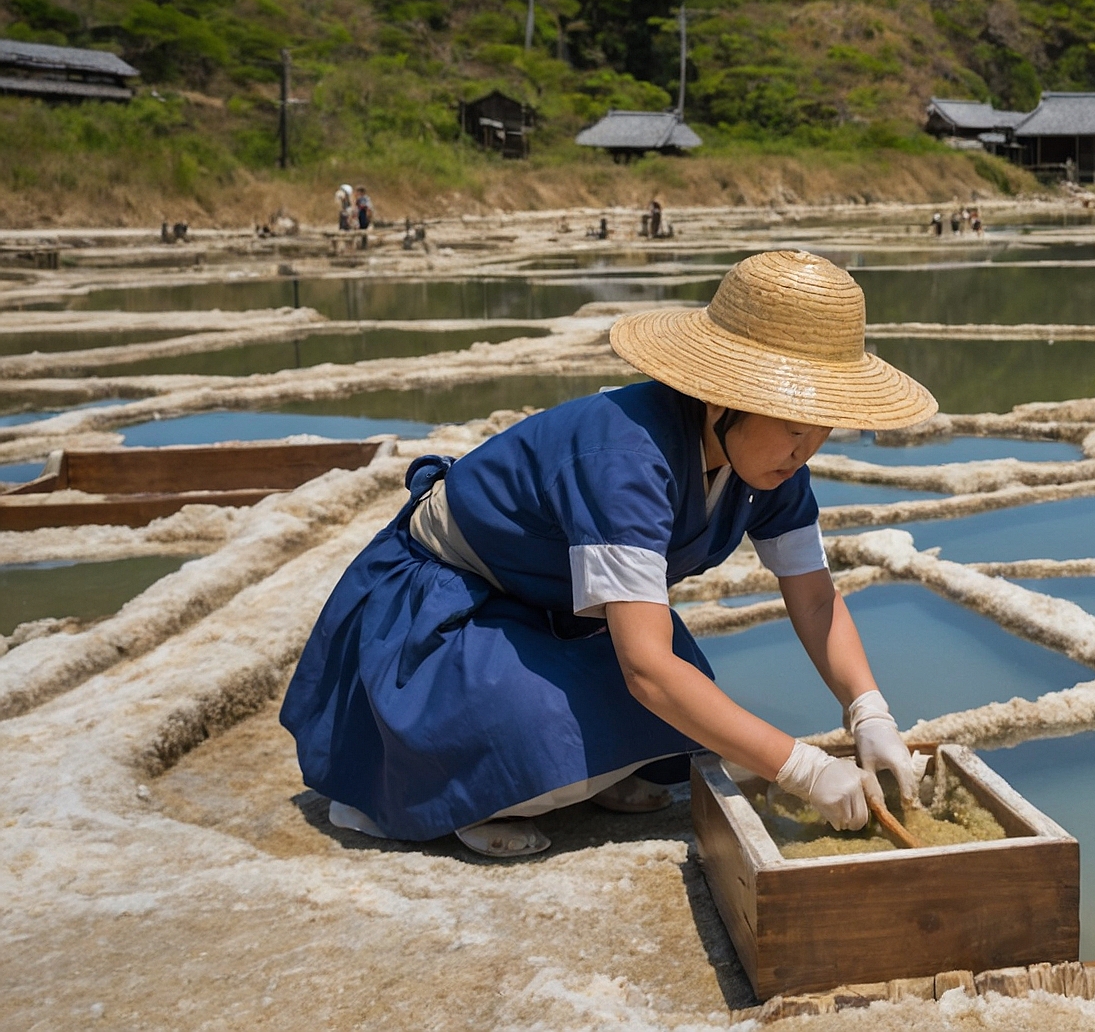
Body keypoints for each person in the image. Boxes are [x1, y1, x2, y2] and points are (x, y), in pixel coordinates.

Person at [279, 251, 939, 858]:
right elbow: (647, 671)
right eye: (793, 426)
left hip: (564, 608)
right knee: (547, 732)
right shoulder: (627, 458)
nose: (807, 449)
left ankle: (582, 778)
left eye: (821, 428)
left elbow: (815, 594)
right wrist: (805, 769)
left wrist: (867, 708)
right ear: (722, 399)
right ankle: (434, 798)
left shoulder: (769, 466)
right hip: (455, 601)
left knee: (681, 733)